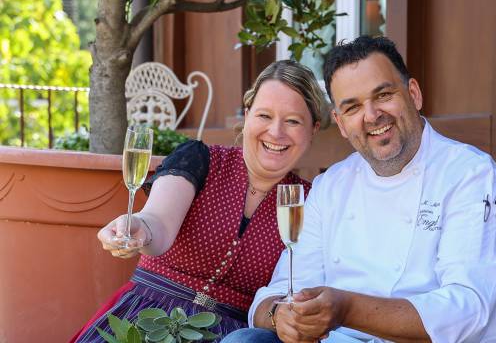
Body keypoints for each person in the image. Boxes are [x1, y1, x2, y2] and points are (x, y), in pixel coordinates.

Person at [223, 36, 496, 343]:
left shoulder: (471, 176)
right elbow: (280, 290)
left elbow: (465, 313)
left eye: (383, 95)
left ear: (414, 94)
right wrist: (280, 315)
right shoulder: (331, 187)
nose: (371, 115)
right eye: (353, 107)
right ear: (341, 124)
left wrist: (346, 309)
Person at [71, 60, 330, 343]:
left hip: (231, 336)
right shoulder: (201, 160)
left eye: (293, 121)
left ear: (313, 129)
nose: (276, 132)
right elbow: (158, 221)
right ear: (247, 115)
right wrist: (140, 228)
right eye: (265, 116)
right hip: (148, 317)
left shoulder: (310, 201)